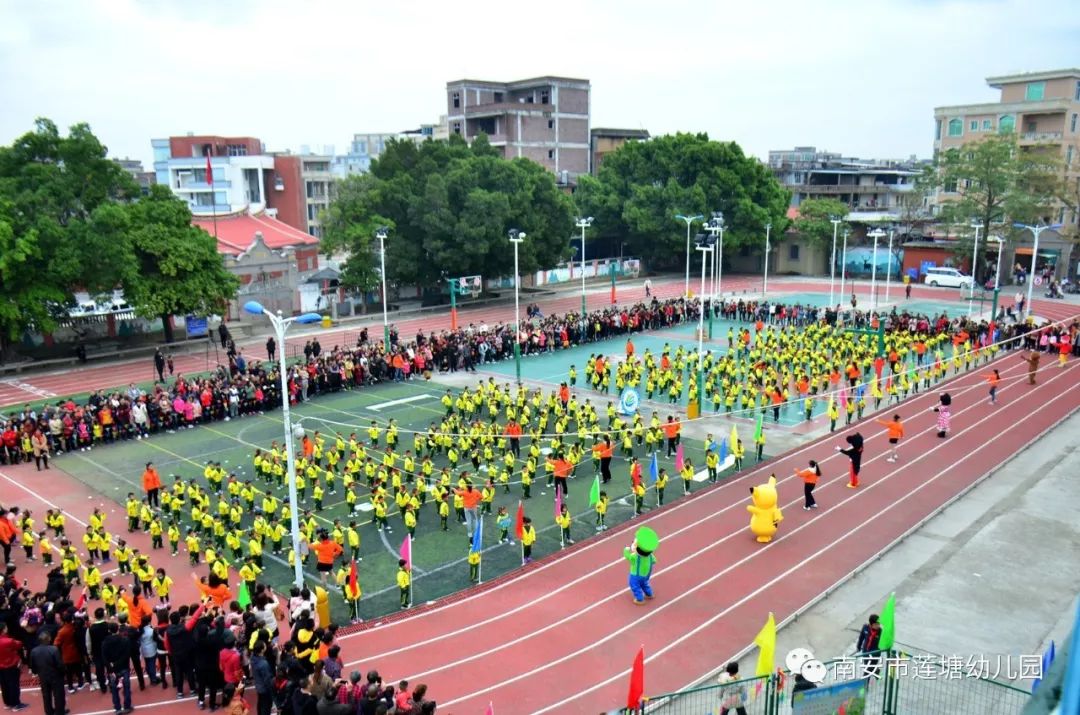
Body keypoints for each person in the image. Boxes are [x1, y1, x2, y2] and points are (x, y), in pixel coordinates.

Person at [30, 631, 67, 715]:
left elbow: (33, 666)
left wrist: (37, 672)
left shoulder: (34, 651)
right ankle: (59, 712)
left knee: (46, 695)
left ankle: (49, 712)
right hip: (55, 676)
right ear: (48, 639)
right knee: (58, 695)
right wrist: (63, 672)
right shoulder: (54, 649)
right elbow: (59, 664)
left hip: (43, 676)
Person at [103, 621, 134, 714]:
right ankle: (127, 706)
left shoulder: (105, 642)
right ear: (117, 629)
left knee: (114, 689)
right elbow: (127, 654)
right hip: (123, 666)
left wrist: (110, 666)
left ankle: (117, 708)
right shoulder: (125, 640)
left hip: (112, 669)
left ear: (109, 630)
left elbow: (104, 657)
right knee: (126, 687)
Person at [856, 614, 883, 678]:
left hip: (875, 654)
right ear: (871, 624)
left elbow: (883, 643)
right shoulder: (865, 628)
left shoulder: (880, 632)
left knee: (867, 670)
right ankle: (876, 671)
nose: (878, 626)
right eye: (876, 624)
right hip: (866, 652)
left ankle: (865, 685)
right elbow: (861, 638)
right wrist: (858, 646)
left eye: (879, 624)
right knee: (868, 668)